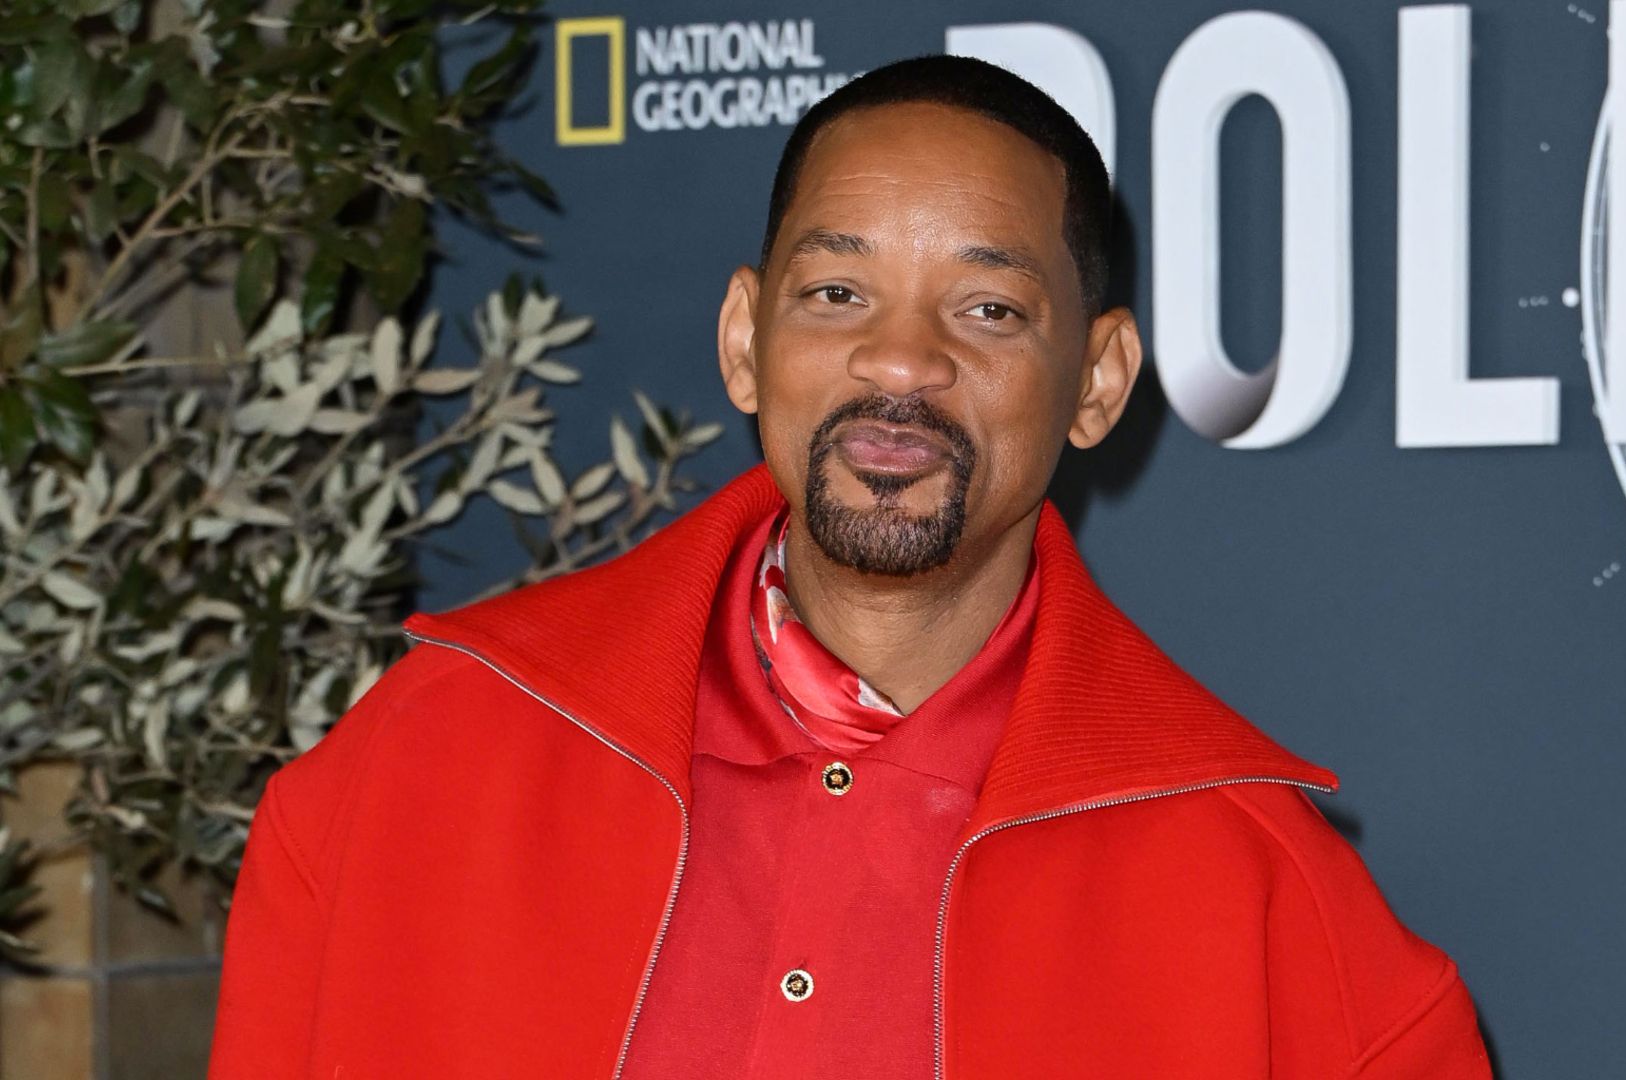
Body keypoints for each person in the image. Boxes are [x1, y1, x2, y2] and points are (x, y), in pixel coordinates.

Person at [210, 55, 1490, 1079]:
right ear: (743, 340)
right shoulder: (415, 762)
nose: (900, 361)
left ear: (1097, 381)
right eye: (835, 293)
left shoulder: (1270, 901)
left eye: (988, 309)